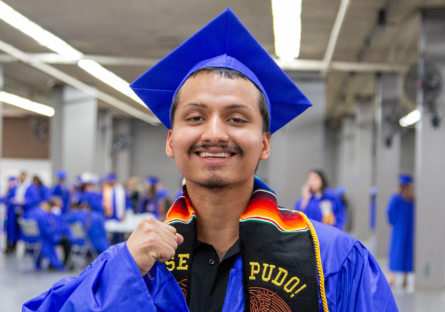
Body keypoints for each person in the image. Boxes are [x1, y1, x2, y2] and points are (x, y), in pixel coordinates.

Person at [23, 9, 397, 311]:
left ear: (265, 143)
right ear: (171, 141)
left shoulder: (332, 260)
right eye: (195, 117)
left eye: (236, 118)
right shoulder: (129, 263)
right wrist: (124, 273)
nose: (214, 133)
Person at [387, 174, 415, 287]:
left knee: (396, 251)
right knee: (407, 253)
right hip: (410, 230)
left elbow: (390, 212)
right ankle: (405, 279)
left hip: (398, 230)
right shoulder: (412, 198)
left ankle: (391, 278)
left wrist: (394, 222)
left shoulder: (396, 197)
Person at [24, 200, 64, 270]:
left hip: (29, 238)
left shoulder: (30, 212)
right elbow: (46, 230)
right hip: (40, 239)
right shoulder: (42, 215)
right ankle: (55, 264)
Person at [2, 177, 17, 253]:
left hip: (14, 215)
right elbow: (4, 199)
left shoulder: (15, 190)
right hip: (8, 214)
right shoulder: (9, 191)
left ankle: (13, 247)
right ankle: (8, 247)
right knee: (8, 231)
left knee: (13, 231)